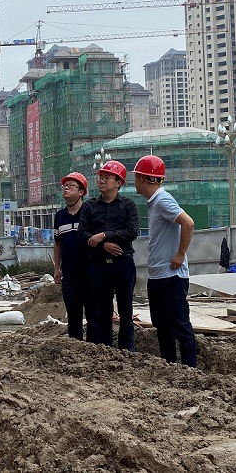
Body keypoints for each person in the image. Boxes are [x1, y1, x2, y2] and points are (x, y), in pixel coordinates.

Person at [133, 155, 197, 367]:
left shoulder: (163, 200)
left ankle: (190, 370)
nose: (134, 181)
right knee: (162, 325)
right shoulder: (155, 202)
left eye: (136, 177)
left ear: (144, 178)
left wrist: (180, 253)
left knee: (180, 326)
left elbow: (188, 223)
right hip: (159, 276)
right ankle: (170, 366)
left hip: (171, 277)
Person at [78, 160, 139, 350]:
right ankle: (105, 350)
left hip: (123, 263)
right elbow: (83, 233)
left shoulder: (128, 205)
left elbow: (132, 231)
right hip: (98, 264)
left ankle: (127, 350)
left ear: (119, 182)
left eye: (107, 177)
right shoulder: (89, 206)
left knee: (125, 310)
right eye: (100, 177)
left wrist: (105, 235)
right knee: (102, 311)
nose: (102, 181)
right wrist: (104, 245)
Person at [53, 172, 91, 341]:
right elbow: (58, 243)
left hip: (90, 272)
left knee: (93, 315)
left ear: (81, 192)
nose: (66, 189)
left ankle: (93, 347)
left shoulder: (89, 212)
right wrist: (57, 268)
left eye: (70, 186)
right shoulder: (59, 216)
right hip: (69, 274)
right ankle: (76, 347)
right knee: (73, 315)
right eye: (64, 186)